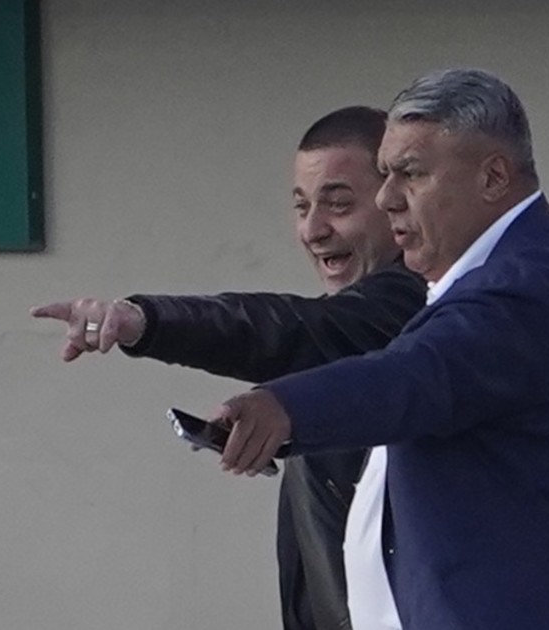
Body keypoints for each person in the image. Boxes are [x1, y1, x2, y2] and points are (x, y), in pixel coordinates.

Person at [215, 68, 549, 628]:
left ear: (493, 177)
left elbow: (415, 374)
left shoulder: (527, 283)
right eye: (385, 173)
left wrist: (285, 409)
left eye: (410, 173)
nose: (387, 198)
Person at [34, 107, 428, 630]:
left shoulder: (415, 304)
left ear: (397, 203)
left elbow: (287, 329)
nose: (313, 229)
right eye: (302, 206)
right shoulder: (360, 330)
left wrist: (145, 321)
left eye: (339, 204)